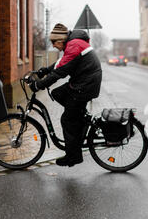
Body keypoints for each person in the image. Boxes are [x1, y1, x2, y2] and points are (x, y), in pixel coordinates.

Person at [30, 23, 102, 167]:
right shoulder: (73, 44)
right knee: (57, 93)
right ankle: (79, 117)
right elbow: (60, 63)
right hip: (83, 82)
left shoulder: (74, 45)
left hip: (84, 85)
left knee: (67, 120)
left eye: (54, 42)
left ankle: (73, 156)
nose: (54, 46)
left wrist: (39, 85)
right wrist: (44, 71)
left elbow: (60, 72)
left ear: (61, 40)